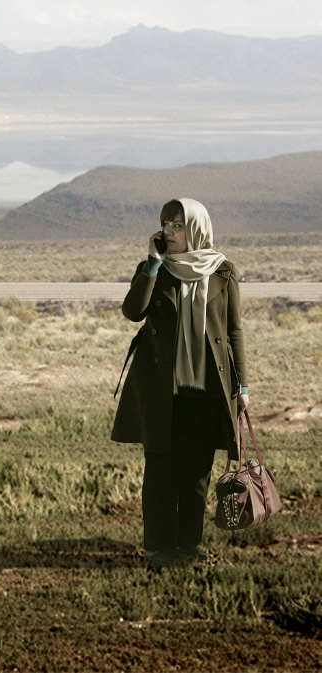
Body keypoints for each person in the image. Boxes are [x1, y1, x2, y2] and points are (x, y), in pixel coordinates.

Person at [111, 198, 249, 568]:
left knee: (197, 473)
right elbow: (132, 312)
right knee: (160, 470)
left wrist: (243, 386)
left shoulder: (222, 271)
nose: (169, 233)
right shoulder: (154, 269)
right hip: (162, 389)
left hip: (208, 389)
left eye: (177, 226)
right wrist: (153, 264)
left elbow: (233, 331)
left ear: (196, 230)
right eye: (166, 225)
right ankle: (159, 547)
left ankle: (189, 543)